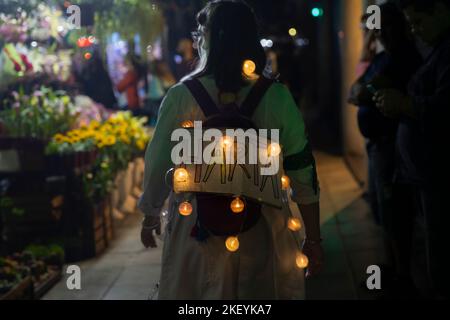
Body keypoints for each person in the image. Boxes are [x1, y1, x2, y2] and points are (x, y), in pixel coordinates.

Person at [138, 0, 322, 300]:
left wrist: (150, 214)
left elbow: (158, 163)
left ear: (206, 39)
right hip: (263, 229)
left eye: (201, 32)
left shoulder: (181, 97)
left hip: (197, 229)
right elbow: (303, 172)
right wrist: (313, 239)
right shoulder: (276, 96)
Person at [374, 0, 450, 298]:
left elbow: (444, 108)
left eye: (418, 22)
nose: (415, 30)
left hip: (439, 175)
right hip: (425, 173)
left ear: (442, 11)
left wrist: (404, 103)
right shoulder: (435, 51)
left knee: (440, 255)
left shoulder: (442, 54)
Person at [349, 4, 422, 293]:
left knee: (395, 213)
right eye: (380, 27)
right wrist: (366, 90)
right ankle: (390, 271)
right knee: (384, 211)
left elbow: (364, 92)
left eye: (389, 26)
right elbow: (355, 91)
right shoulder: (381, 57)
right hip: (378, 147)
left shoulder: (406, 59)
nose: (383, 32)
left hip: (393, 149)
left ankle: (402, 277)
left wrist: (366, 91)